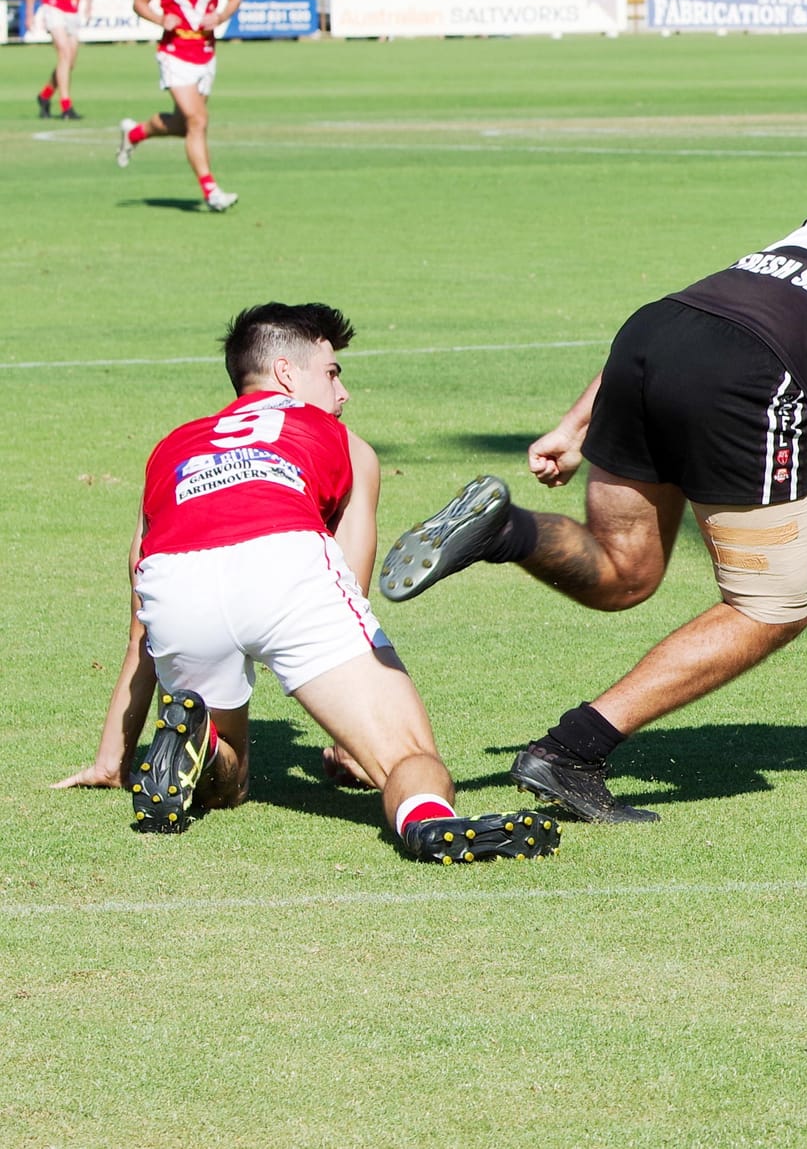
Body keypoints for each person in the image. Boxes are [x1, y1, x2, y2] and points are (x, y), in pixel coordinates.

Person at [379, 209, 807, 823]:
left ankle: (505, 529)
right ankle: (569, 751)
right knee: (772, 606)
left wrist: (576, 422)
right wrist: (801, 494)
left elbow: (708, 305)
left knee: (625, 570)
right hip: (746, 377)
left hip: (649, 337)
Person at [53, 303, 560, 862]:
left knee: (231, 781)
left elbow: (139, 627)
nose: (343, 394)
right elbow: (348, 587)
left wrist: (111, 760)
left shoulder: (171, 448)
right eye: (332, 373)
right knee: (408, 755)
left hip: (178, 581)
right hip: (284, 563)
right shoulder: (347, 444)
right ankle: (427, 822)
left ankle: (200, 739)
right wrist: (351, 744)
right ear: (288, 373)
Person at [115, 0, 242, 212]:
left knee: (186, 124)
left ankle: (135, 133)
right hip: (174, 53)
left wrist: (221, 17)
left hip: (206, 53)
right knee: (198, 121)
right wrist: (160, 19)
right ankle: (211, 191)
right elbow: (139, 2)